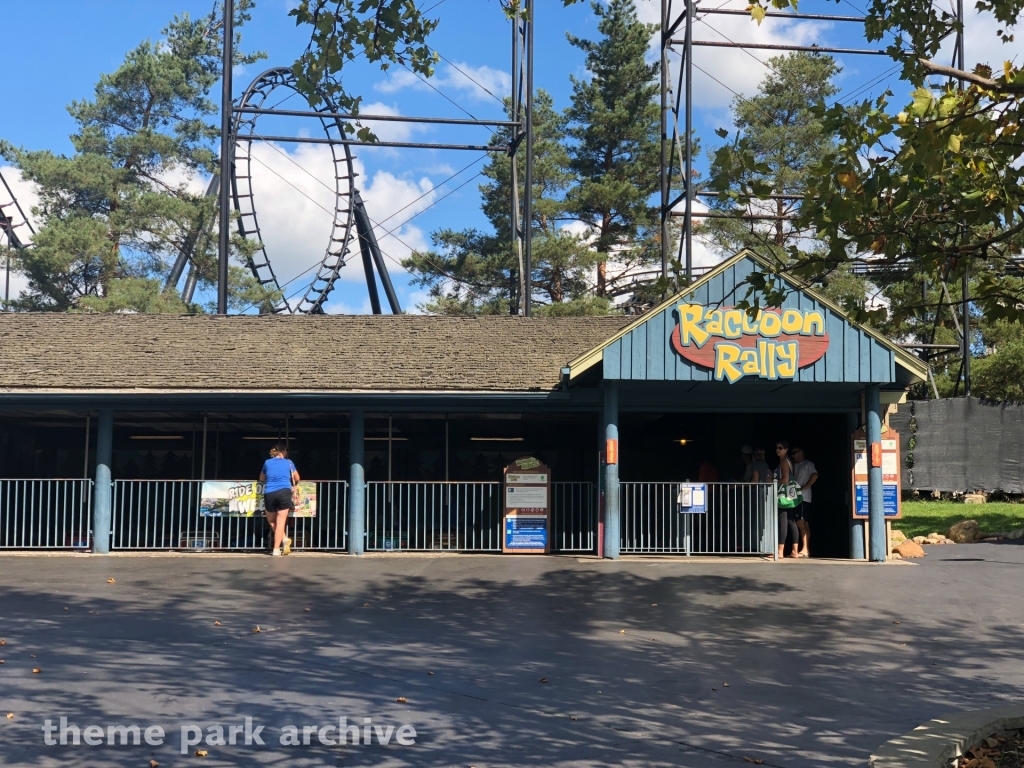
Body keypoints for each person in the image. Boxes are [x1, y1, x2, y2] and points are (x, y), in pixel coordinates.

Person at [260, 443, 299, 556]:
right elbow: (297, 477)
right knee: (281, 522)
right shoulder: (289, 462)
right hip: (284, 492)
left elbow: (261, 478)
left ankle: (284, 539)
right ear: (283, 451)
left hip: (270, 492)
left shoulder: (267, 462)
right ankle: (276, 549)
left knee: (271, 521)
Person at [791, 445, 818, 558]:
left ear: (800, 452)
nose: (793, 456)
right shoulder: (796, 465)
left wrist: (804, 488)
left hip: (803, 498)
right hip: (797, 497)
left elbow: (815, 475)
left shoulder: (808, 464)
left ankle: (805, 549)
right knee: (804, 523)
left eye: (794, 453)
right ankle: (806, 548)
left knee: (801, 522)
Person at [774, 440, 799, 559]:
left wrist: (772, 481)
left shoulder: (784, 462)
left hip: (783, 495)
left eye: (780, 448)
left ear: (786, 449)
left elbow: (785, 480)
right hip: (790, 495)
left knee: (783, 521)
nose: (777, 450)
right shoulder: (788, 462)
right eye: (777, 448)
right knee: (790, 520)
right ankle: (795, 550)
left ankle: (780, 551)